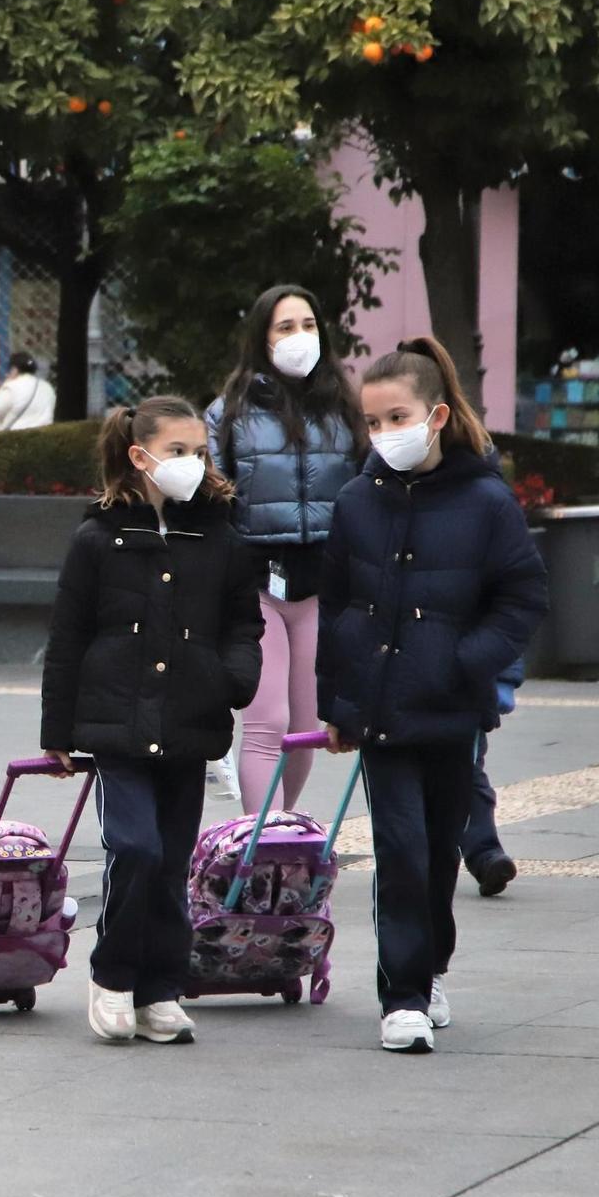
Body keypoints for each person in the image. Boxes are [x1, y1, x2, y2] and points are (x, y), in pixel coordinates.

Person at [319, 337, 548, 1054]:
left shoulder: (485, 500)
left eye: (398, 417)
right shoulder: (356, 502)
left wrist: (465, 661)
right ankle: (404, 994)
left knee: (442, 847)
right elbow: (337, 609)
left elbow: (523, 595)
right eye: (373, 421)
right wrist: (337, 703)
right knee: (400, 849)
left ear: (437, 414)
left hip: (450, 712)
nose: (385, 433)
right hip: (382, 713)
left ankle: (432, 964)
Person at [41, 396, 264, 1045]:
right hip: (117, 726)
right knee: (134, 848)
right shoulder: (98, 539)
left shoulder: (220, 537)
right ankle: (113, 976)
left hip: (191, 722)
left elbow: (243, 622)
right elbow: (67, 638)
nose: (192, 464)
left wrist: (234, 676)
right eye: (177, 452)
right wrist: (59, 732)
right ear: (140, 458)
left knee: (170, 862)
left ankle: (161, 988)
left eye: (199, 451)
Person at [206, 285, 367, 815]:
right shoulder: (228, 413)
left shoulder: (347, 410)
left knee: (304, 727)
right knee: (266, 721)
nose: (299, 338)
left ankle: (279, 833)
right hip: (255, 584)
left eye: (308, 325)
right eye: (284, 327)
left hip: (320, 584)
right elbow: (213, 494)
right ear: (261, 338)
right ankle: (260, 845)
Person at [460, 660, 524, 898]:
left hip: (458, 688)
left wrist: (504, 677)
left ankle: (486, 857)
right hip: (396, 685)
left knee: (467, 777)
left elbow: (505, 626)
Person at [0, 351, 56, 431]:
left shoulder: (12, 386)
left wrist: (5, 383)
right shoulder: (47, 387)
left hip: (19, 436)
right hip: (45, 433)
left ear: (15, 369)